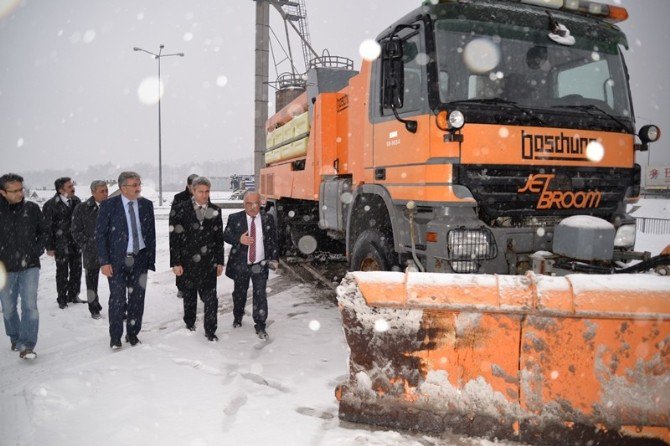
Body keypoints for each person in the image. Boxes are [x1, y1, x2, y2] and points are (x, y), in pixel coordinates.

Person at [96, 171, 156, 349]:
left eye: (139, 184)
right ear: (123, 188)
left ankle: (132, 334)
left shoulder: (146, 205)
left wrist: (149, 259)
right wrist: (104, 262)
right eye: (134, 185)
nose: (138, 188)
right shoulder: (108, 206)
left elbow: (150, 233)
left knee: (137, 299)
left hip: (140, 259)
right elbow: (100, 235)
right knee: (117, 299)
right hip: (116, 261)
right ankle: (115, 336)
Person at [169, 176, 224, 341]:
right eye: (200, 191)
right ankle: (189, 322)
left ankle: (210, 330)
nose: (204, 195)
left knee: (211, 299)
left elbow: (218, 238)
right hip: (187, 262)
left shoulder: (215, 210)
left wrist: (220, 261)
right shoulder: (180, 209)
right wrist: (176, 262)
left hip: (209, 262)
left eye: (207, 191)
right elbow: (175, 238)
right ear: (193, 191)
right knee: (190, 296)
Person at [0, 173, 46, 359]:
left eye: (22, 189)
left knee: (30, 306)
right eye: (16, 190)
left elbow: (43, 232)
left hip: (30, 266)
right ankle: (14, 336)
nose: (21, 193)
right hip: (4, 269)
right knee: (9, 308)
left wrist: (36, 250)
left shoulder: (32, 208)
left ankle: (27, 344)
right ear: (3, 192)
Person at [223, 191, 278, 340]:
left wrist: (274, 258)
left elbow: (272, 240)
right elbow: (226, 235)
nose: (253, 207)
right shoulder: (235, 218)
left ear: (260, 203)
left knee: (260, 295)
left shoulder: (268, 219)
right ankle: (238, 315)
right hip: (241, 265)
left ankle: (260, 324)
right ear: (244, 204)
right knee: (239, 293)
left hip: (260, 264)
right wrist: (238, 239)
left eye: (256, 203)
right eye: (249, 204)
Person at [42, 176, 83, 309]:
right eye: (70, 186)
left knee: (77, 271)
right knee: (62, 272)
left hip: (76, 243)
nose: (73, 188)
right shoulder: (50, 205)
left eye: (72, 185)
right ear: (61, 190)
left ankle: (73, 295)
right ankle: (62, 299)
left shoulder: (77, 201)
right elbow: (47, 228)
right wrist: (49, 247)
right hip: (61, 244)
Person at [71, 180, 109, 319]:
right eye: (102, 191)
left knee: (116, 282)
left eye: (106, 190)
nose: (105, 194)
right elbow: (75, 231)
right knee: (92, 283)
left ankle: (119, 308)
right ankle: (94, 309)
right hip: (91, 252)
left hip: (110, 252)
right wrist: (87, 245)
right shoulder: (81, 208)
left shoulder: (112, 206)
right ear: (93, 192)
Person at [170, 173, 199, 299]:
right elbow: (173, 218)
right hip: (183, 236)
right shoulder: (179, 198)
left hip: (197, 235)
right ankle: (181, 287)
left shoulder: (202, 195)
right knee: (181, 263)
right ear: (188, 185)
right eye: (194, 186)